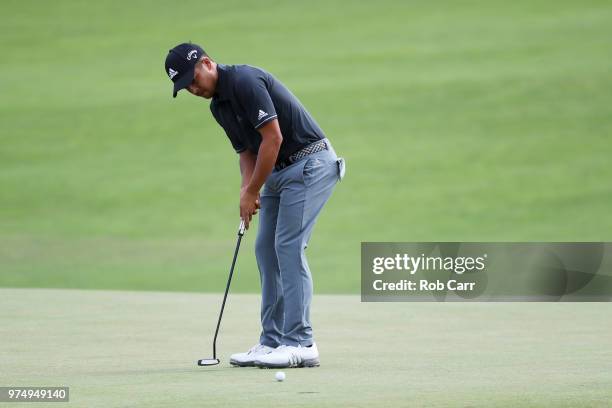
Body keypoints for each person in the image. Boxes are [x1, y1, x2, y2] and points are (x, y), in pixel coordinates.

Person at [164, 42, 345, 368]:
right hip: (277, 171)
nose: (192, 89)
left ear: (206, 63)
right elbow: (246, 152)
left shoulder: (245, 81)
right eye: (185, 87)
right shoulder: (217, 106)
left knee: (288, 246)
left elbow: (272, 138)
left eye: (193, 80)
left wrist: (253, 191)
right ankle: (271, 340)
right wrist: (246, 191)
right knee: (265, 248)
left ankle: (301, 343)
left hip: (310, 164)